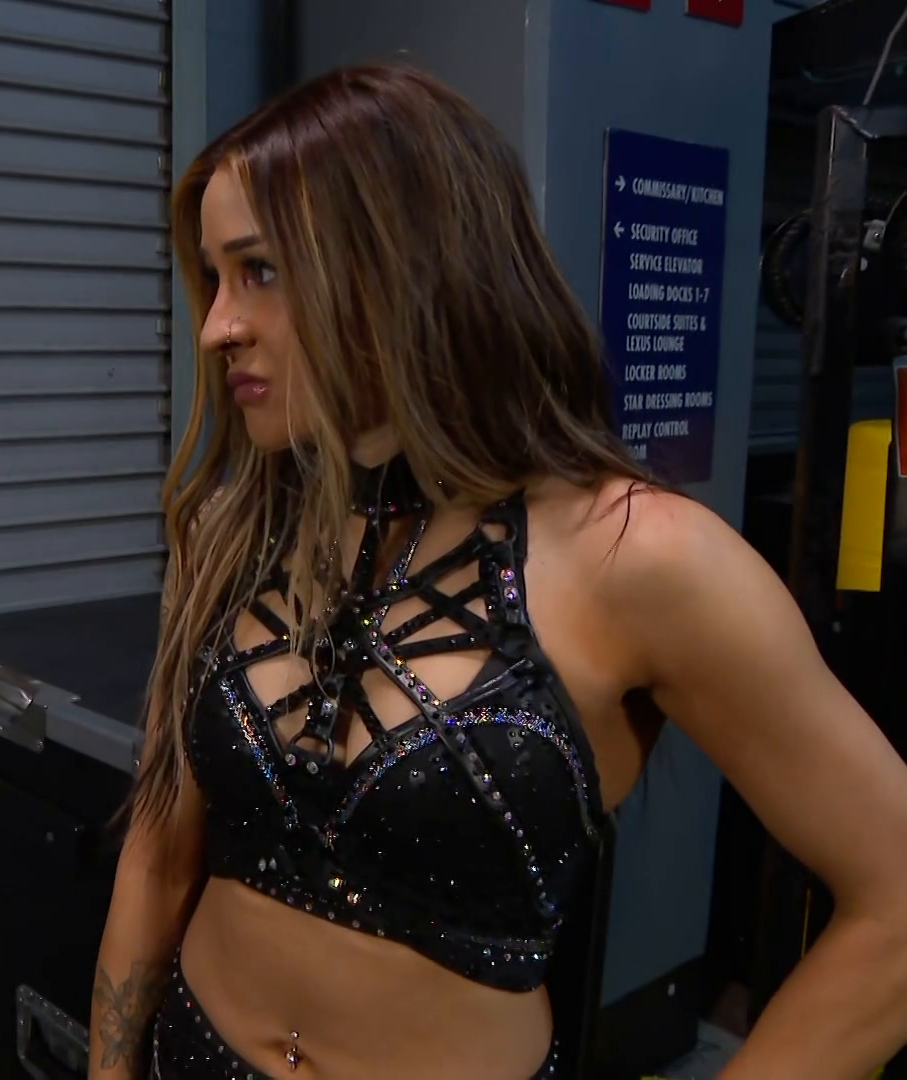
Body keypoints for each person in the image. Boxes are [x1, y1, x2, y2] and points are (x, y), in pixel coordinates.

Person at [90, 64, 907, 1080]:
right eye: (215, 280)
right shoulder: (240, 529)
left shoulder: (639, 558)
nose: (218, 326)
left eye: (258, 271)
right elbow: (161, 847)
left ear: (402, 265)